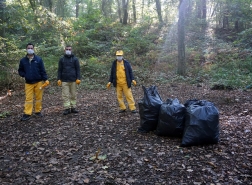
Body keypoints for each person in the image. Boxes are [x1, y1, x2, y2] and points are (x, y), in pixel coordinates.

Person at [18, 43, 49, 121]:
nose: (30, 49)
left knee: (39, 98)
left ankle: (38, 111)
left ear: (34, 49)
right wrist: (24, 75)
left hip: (38, 81)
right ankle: (27, 113)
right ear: (26, 49)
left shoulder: (38, 59)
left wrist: (45, 79)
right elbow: (20, 70)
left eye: (31, 48)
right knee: (28, 99)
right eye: (29, 48)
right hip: (28, 82)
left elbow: (42, 70)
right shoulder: (23, 60)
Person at [57, 45, 81, 115]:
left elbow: (78, 70)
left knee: (73, 95)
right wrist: (59, 78)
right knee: (65, 95)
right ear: (64, 50)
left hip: (73, 80)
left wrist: (78, 78)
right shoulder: (62, 59)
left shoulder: (75, 59)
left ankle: (73, 107)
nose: (68, 50)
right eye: (67, 49)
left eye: (69, 49)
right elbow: (59, 70)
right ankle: (67, 108)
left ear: (71, 50)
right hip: (64, 80)